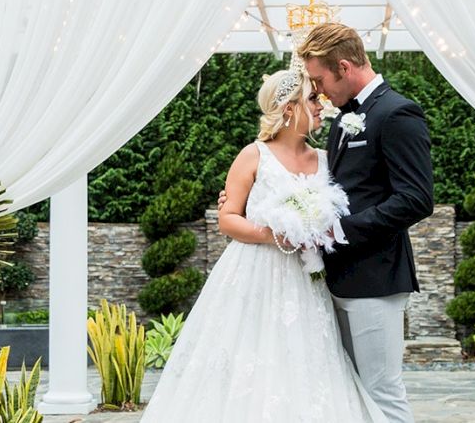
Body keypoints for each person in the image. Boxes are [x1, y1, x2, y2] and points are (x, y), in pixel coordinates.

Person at [141, 69, 387, 423]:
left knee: (303, 360)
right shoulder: (253, 155)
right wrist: (274, 234)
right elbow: (228, 219)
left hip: (305, 279)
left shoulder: (325, 159)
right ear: (289, 109)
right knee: (249, 357)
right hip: (253, 273)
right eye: (312, 99)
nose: (321, 106)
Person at [295, 22, 434, 423]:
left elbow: (416, 199)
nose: (318, 92)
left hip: (377, 278)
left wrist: (341, 231)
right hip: (339, 276)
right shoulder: (343, 120)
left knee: (382, 392)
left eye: (320, 80)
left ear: (344, 66)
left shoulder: (397, 113)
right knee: (351, 391)